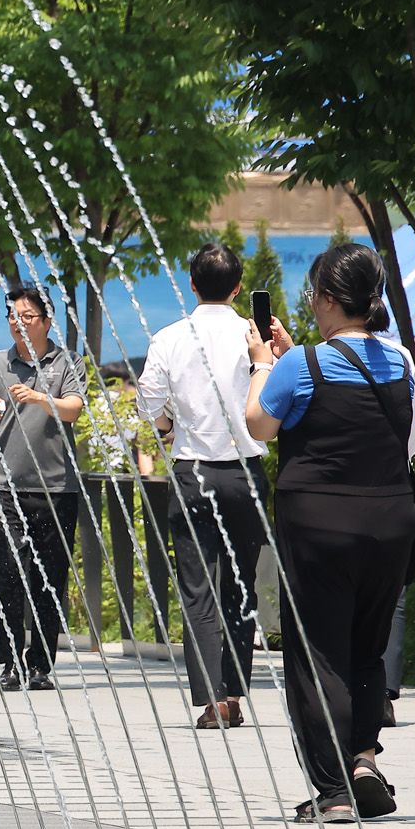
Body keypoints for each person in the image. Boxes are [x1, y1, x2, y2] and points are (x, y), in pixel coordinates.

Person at [246, 242, 415, 824]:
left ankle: (334, 791)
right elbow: (403, 444)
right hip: (390, 523)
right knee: (367, 646)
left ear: (323, 298)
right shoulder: (400, 362)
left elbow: (259, 425)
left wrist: (264, 365)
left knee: (317, 654)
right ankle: (364, 760)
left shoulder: (301, 364)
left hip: (320, 527)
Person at [138, 241, 271, 730]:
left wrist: (168, 428)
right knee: (241, 586)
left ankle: (212, 701)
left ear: (191, 285)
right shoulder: (255, 336)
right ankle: (234, 695)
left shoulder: (170, 337)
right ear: (238, 288)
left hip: (192, 470)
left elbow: (148, 400)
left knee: (198, 589)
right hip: (244, 472)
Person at [0, 286, 86, 691]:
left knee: (49, 577)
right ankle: (9, 663)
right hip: (3, 486)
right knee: (7, 573)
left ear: (47, 321)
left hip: (57, 487)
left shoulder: (67, 362)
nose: (19, 324)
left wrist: (38, 397)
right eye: (13, 317)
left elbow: (74, 408)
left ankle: (40, 665)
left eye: (28, 316)